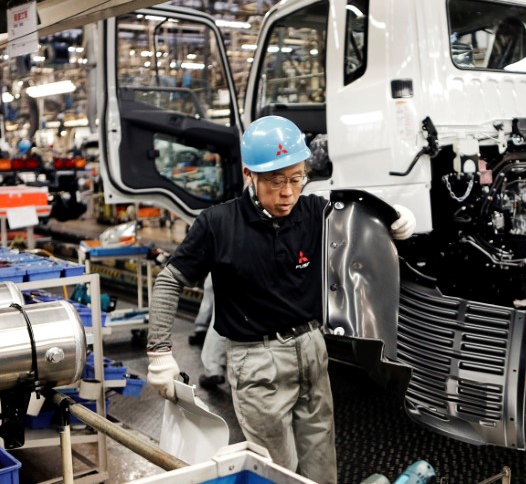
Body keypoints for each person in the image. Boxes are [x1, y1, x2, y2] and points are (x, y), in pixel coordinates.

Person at [145, 116, 415, 483]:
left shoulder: (314, 213)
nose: (288, 192)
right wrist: (159, 352)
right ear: (249, 175)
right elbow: (169, 281)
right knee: (277, 470)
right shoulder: (217, 224)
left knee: (323, 466)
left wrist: (390, 220)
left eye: (296, 178)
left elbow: (358, 223)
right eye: (276, 182)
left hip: (311, 348)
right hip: (256, 362)